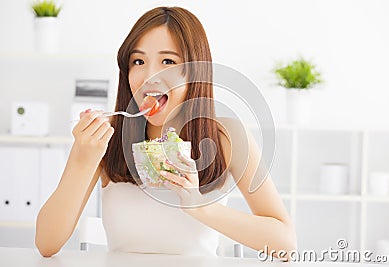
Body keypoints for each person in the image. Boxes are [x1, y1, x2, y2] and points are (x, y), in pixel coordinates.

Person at [35, 6, 297, 258]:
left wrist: (201, 207)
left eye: (168, 61)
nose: (149, 76)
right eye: (138, 61)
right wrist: (82, 159)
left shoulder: (227, 136)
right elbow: (47, 244)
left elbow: (285, 244)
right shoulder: (105, 138)